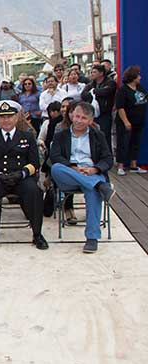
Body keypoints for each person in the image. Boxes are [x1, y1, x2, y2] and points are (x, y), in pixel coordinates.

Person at [0, 100, 48, 251]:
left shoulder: (27, 137)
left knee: (35, 192)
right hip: (0, 179)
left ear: (16, 118)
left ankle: (37, 234)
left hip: (21, 178)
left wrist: (21, 174)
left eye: (10, 116)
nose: (6, 120)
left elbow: (35, 163)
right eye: (2, 117)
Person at [50, 102, 115, 253]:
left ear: (91, 121)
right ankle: (100, 185)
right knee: (56, 168)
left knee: (92, 191)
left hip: (92, 171)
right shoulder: (61, 135)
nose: (79, 120)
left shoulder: (98, 135)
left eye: (84, 118)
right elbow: (55, 156)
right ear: (72, 116)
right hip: (69, 174)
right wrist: (73, 168)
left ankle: (92, 238)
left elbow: (108, 159)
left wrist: (94, 169)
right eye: (77, 116)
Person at [115, 65, 148, 175]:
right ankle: (120, 165)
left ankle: (133, 165)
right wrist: (126, 121)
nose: (140, 77)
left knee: (136, 143)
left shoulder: (140, 88)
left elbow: (145, 98)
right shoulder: (123, 90)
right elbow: (120, 107)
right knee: (123, 143)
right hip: (126, 122)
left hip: (139, 121)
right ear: (133, 77)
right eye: (138, 75)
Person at [81, 64, 117, 152]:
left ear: (101, 73)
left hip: (105, 113)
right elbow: (83, 94)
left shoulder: (110, 82)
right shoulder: (91, 84)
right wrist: (92, 93)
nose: (92, 74)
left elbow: (106, 91)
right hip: (92, 114)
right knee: (93, 135)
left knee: (105, 135)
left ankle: (107, 154)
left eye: (94, 72)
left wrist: (94, 91)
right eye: (91, 72)